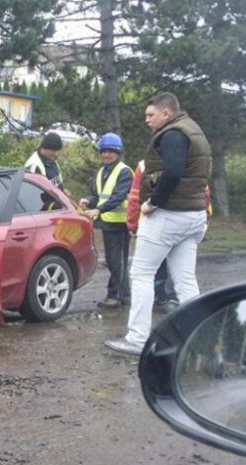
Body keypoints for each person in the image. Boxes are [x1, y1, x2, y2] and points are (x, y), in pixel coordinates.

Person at [105, 92, 211, 356]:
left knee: (141, 274)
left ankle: (138, 338)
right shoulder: (194, 130)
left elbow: (173, 172)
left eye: (151, 115)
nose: (147, 120)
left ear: (167, 113)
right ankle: (198, 338)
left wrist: (153, 203)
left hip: (169, 215)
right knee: (185, 280)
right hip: (193, 216)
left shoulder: (174, 134)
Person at [79, 133, 133, 309]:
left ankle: (115, 295)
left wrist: (99, 209)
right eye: (104, 151)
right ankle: (124, 295)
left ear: (117, 152)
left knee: (117, 261)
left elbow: (118, 196)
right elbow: (98, 195)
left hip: (120, 223)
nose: (106, 155)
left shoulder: (124, 171)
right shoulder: (102, 171)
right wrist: (89, 201)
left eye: (110, 151)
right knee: (115, 260)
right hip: (108, 222)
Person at [126, 160, 179, 313]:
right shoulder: (191, 161)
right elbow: (203, 194)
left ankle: (160, 298)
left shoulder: (144, 165)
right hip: (183, 223)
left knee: (148, 268)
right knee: (180, 267)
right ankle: (175, 299)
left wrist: (132, 224)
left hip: (153, 221)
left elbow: (134, 197)